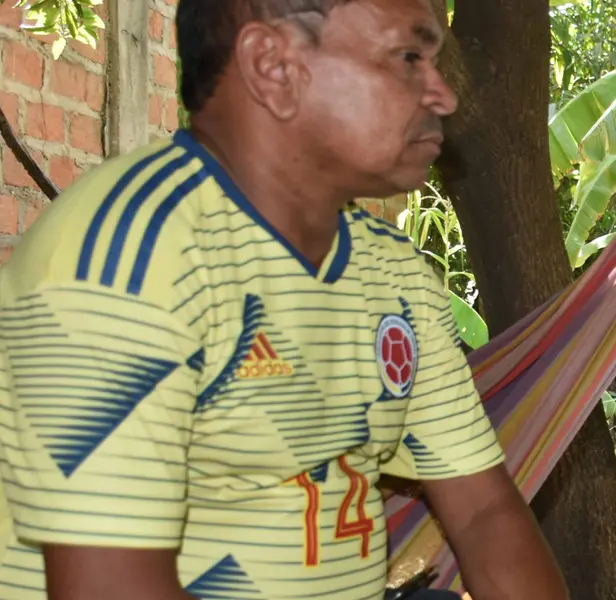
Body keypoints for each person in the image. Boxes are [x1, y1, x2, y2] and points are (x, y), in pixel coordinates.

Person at [0, 1, 571, 599]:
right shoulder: (125, 258)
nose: (443, 96)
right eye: (407, 57)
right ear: (273, 68)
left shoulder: (389, 272)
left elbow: (484, 516)